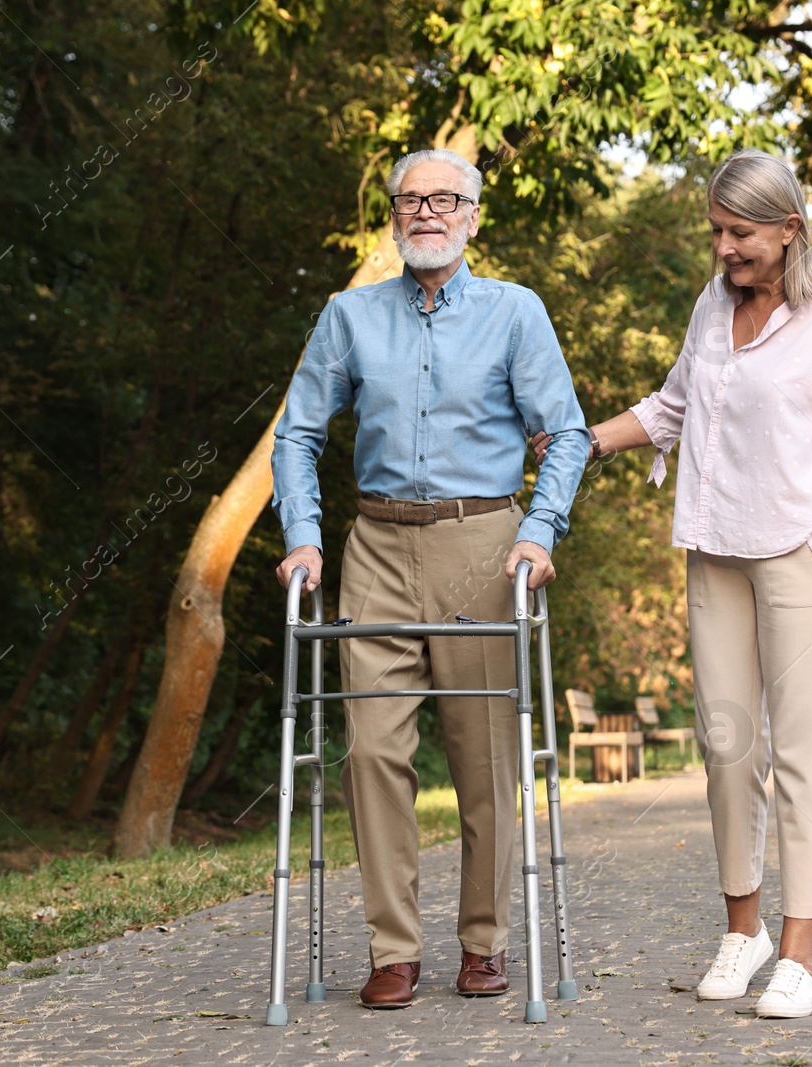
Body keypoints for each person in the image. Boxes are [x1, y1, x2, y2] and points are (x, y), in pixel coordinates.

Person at [534, 148, 812, 1018]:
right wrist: (585, 440)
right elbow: (672, 406)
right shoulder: (711, 307)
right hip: (717, 548)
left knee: (804, 755)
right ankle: (741, 931)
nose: (723, 250)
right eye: (715, 231)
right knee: (727, 746)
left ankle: (799, 953)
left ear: (789, 231)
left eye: (740, 233)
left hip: (807, 555)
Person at [271, 148, 591, 1009]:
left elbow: (566, 432)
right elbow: (296, 433)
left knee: (485, 757)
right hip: (374, 543)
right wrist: (302, 536)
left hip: (482, 543)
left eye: (445, 199)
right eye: (410, 200)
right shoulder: (349, 317)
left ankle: (483, 942)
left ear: (474, 216)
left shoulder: (516, 313)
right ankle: (393, 948)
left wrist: (538, 529)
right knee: (371, 750)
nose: (426, 212)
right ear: (392, 217)